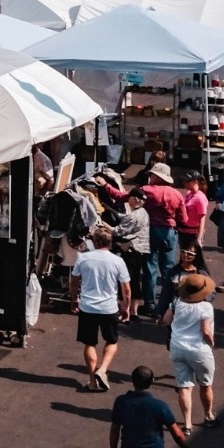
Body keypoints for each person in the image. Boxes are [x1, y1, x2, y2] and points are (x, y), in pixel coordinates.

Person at [71, 224, 132, 391]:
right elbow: (126, 287)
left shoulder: (83, 259)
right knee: (112, 341)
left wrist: (74, 298)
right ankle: (103, 369)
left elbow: (74, 281)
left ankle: (92, 381)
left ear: (95, 241)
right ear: (110, 242)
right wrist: (126, 306)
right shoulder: (118, 261)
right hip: (109, 307)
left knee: (89, 343)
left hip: (88, 306)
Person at [160, 273, 217, 433]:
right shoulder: (206, 307)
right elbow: (206, 331)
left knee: (184, 387)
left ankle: (187, 424)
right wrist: (212, 342)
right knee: (205, 385)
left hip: (177, 347)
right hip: (199, 350)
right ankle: (208, 416)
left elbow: (165, 320)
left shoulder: (177, 302)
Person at [140, 164, 184, 317]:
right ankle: (167, 305)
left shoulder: (146, 190)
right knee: (168, 270)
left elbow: (124, 196)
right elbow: (183, 218)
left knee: (150, 268)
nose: (150, 177)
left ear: (157, 177)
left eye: (152, 175)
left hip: (152, 230)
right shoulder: (177, 194)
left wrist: (106, 185)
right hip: (170, 232)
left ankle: (150, 305)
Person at [115, 189, 153, 309]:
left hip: (131, 250)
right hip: (141, 251)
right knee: (135, 279)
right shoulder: (143, 212)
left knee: (125, 278)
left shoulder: (134, 216)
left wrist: (103, 225)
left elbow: (118, 231)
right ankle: (134, 310)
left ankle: (124, 309)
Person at [178, 171, 209, 272]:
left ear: (195, 181)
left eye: (187, 181)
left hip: (193, 233)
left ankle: (204, 278)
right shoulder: (188, 194)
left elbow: (202, 219)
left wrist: (199, 239)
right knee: (184, 258)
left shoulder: (200, 198)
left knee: (194, 258)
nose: (185, 184)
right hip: (183, 231)